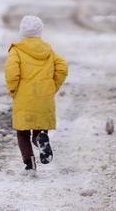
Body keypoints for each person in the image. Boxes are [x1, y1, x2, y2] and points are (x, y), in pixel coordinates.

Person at [4, 15, 68, 176]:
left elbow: (11, 72)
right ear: (40, 32)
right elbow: (62, 67)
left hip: (24, 97)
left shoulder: (17, 50)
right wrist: (53, 86)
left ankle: (30, 165)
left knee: (22, 132)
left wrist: (13, 89)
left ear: (22, 32)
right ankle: (41, 143)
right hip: (44, 97)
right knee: (39, 130)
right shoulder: (48, 50)